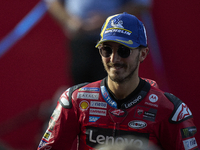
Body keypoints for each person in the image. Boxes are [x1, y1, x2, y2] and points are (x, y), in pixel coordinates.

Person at [37, 13, 198, 150]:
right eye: (106, 50)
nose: (114, 59)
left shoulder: (171, 110)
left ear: (143, 54)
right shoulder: (75, 100)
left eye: (123, 50)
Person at [44, 0, 152, 85]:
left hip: (115, 41)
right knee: (81, 87)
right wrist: (70, 21)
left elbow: (141, 4)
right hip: (80, 42)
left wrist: (109, 21)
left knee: (112, 86)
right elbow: (53, 3)